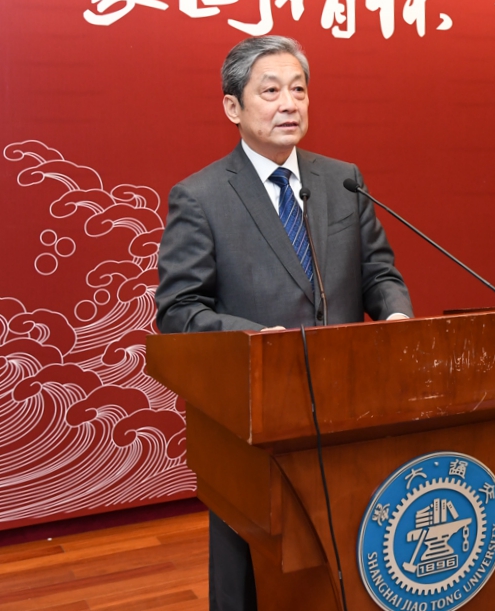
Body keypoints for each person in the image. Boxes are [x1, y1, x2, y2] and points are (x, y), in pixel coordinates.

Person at [155, 35, 412, 611]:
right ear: (233, 107)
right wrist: (252, 339)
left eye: (298, 89)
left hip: (348, 406)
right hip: (255, 415)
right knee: (254, 573)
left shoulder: (343, 180)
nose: (289, 103)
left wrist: (395, 313)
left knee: (347, 558)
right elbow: (179, 309)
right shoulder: (200, 197)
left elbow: (379, 272)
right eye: (270, 91)